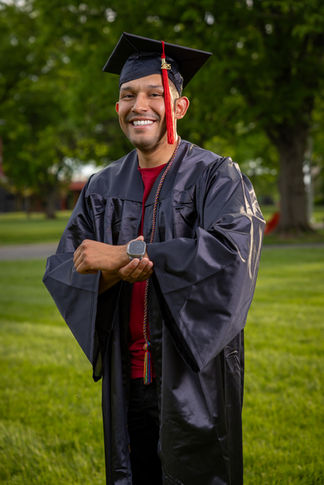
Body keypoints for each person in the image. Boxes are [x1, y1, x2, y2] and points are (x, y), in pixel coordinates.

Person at [43, 32, 265, 485]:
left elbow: (231, 257)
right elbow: (72, 265)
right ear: (118, 108)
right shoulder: (102, 188)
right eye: (127, 95)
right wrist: (111, 271)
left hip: (192, 375)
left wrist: (131, 251)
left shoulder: (217, 175)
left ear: (179, 107)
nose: (138, 104)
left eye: (153, 93)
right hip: (128, 376)